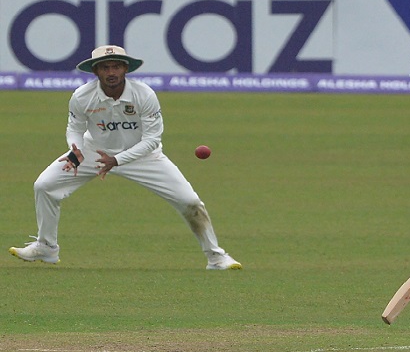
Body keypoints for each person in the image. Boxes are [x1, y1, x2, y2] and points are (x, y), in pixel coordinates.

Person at [9, 45, 242, 271]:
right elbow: (75, 129)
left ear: (126, 69)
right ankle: (47, 247)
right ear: (95, 71)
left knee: (189, 202)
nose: (111, 73)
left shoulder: (144, 95)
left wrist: (117, 160)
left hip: (143, 156)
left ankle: (216, 257)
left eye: (116, 67)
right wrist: (75, 150)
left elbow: (152, 140)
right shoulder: (82, 96)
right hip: (94, 152)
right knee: (44, 185)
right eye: (105, 68)